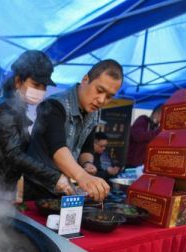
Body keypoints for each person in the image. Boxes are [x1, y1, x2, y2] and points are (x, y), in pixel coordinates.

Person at [26, 60, 124, 201]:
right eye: (100, 90)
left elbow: (87, 146)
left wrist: (87, 164)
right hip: (38, 187)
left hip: (64, 189)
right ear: (85, 79)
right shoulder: (54, 105)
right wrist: (82, 176)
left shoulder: (93, 112)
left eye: (109, 96)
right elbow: (57, 148)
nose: (102, 100)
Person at [0, 50, 68, 197]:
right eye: (36, 84)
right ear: (18, 81)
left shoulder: (18, 107)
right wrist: (55, 177)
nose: (41, 90)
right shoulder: (5, 110)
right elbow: (14, 155)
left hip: (4, 187)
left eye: (44, 86)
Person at [126, 103, 162, 168]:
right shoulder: (143, 120)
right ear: (157, 113)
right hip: (132, 163)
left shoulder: (155, 127)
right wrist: (159, 131)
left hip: (143, 164)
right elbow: (138, 136)